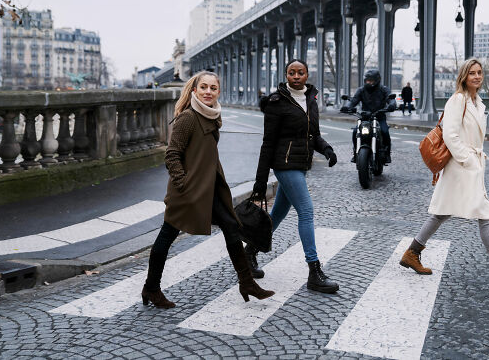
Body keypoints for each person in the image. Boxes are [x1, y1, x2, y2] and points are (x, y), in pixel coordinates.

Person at [142, 71, 274, 308]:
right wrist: (184, 186)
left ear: (218, 92)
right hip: (188, 190)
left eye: (213, 88)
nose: (208, 92)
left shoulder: (212, 116)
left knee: (232, 226)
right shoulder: (188, 118)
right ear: (194, 90)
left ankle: (246, 282)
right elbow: (172, 156)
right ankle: (151, 288)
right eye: (203, 87)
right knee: (167, 234)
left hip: (210, 188)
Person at [399, 58, 489, 287]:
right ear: (464, 76)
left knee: (442, 212)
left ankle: (412, 253)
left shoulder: (477, 102)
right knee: (485, 214)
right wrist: (469, 161)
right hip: (462, 166)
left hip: (467, 166)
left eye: (480, 72)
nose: (477, 76)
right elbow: (450, 136)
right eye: (472, 73)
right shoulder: (457, 100)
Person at [250, 59, 340, 293]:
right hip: (285, 164)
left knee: (278, 214)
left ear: (307, 75)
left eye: (300, 72)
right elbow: (268, 143)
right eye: (292, 73)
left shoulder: (311, 99)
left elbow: (314, 135)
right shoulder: (276, 102)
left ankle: (249, 252)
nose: (296, 76)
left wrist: (327, 149)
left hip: (300, 164)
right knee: (306, 211)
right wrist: (261, 179)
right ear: (286, 75)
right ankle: (314, 271)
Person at [340, 69, 397, 163]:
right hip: (365, 117)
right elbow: (354, 101)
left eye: (371, 80)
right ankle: (355, 153)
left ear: (377, 80)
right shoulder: (361, 90)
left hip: (379, 116)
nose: (368, 82)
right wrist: (346, 107)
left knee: (385, 131)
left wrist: (392, 104)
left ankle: (387, 154)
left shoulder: (383, 89)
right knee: (355, 132)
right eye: (367, 80)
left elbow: (390, 98)